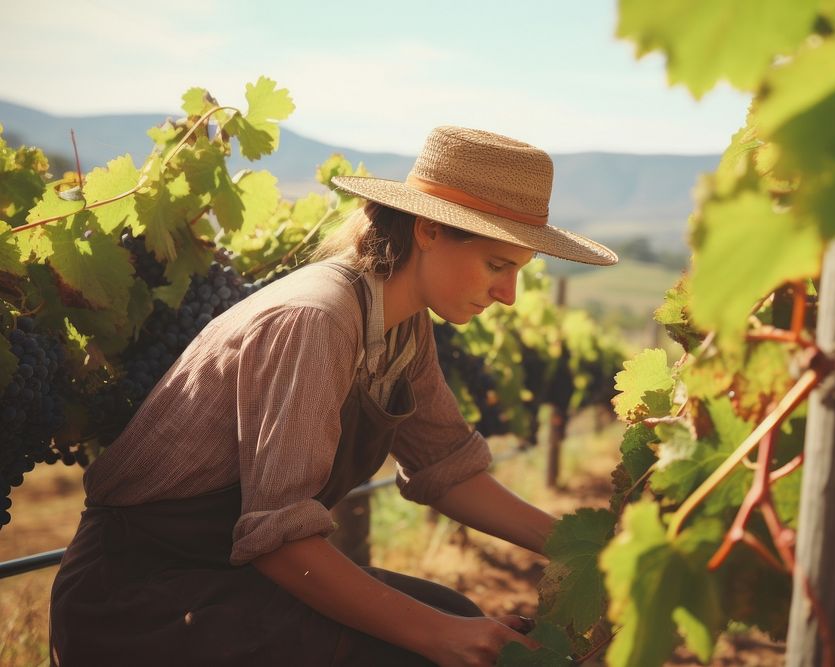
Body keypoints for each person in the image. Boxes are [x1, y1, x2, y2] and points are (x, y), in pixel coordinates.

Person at [49, 125, 618, 666]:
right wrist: (442, 638)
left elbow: (449, 470)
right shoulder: (315, 320)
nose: (510, 295)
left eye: (517, 270)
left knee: (455, 614)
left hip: (223, 575)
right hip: (144, 596)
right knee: (429, 643)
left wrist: (589, 550)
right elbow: (279, 540)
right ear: (429, 230)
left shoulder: (403, 327)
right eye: (497, 265)